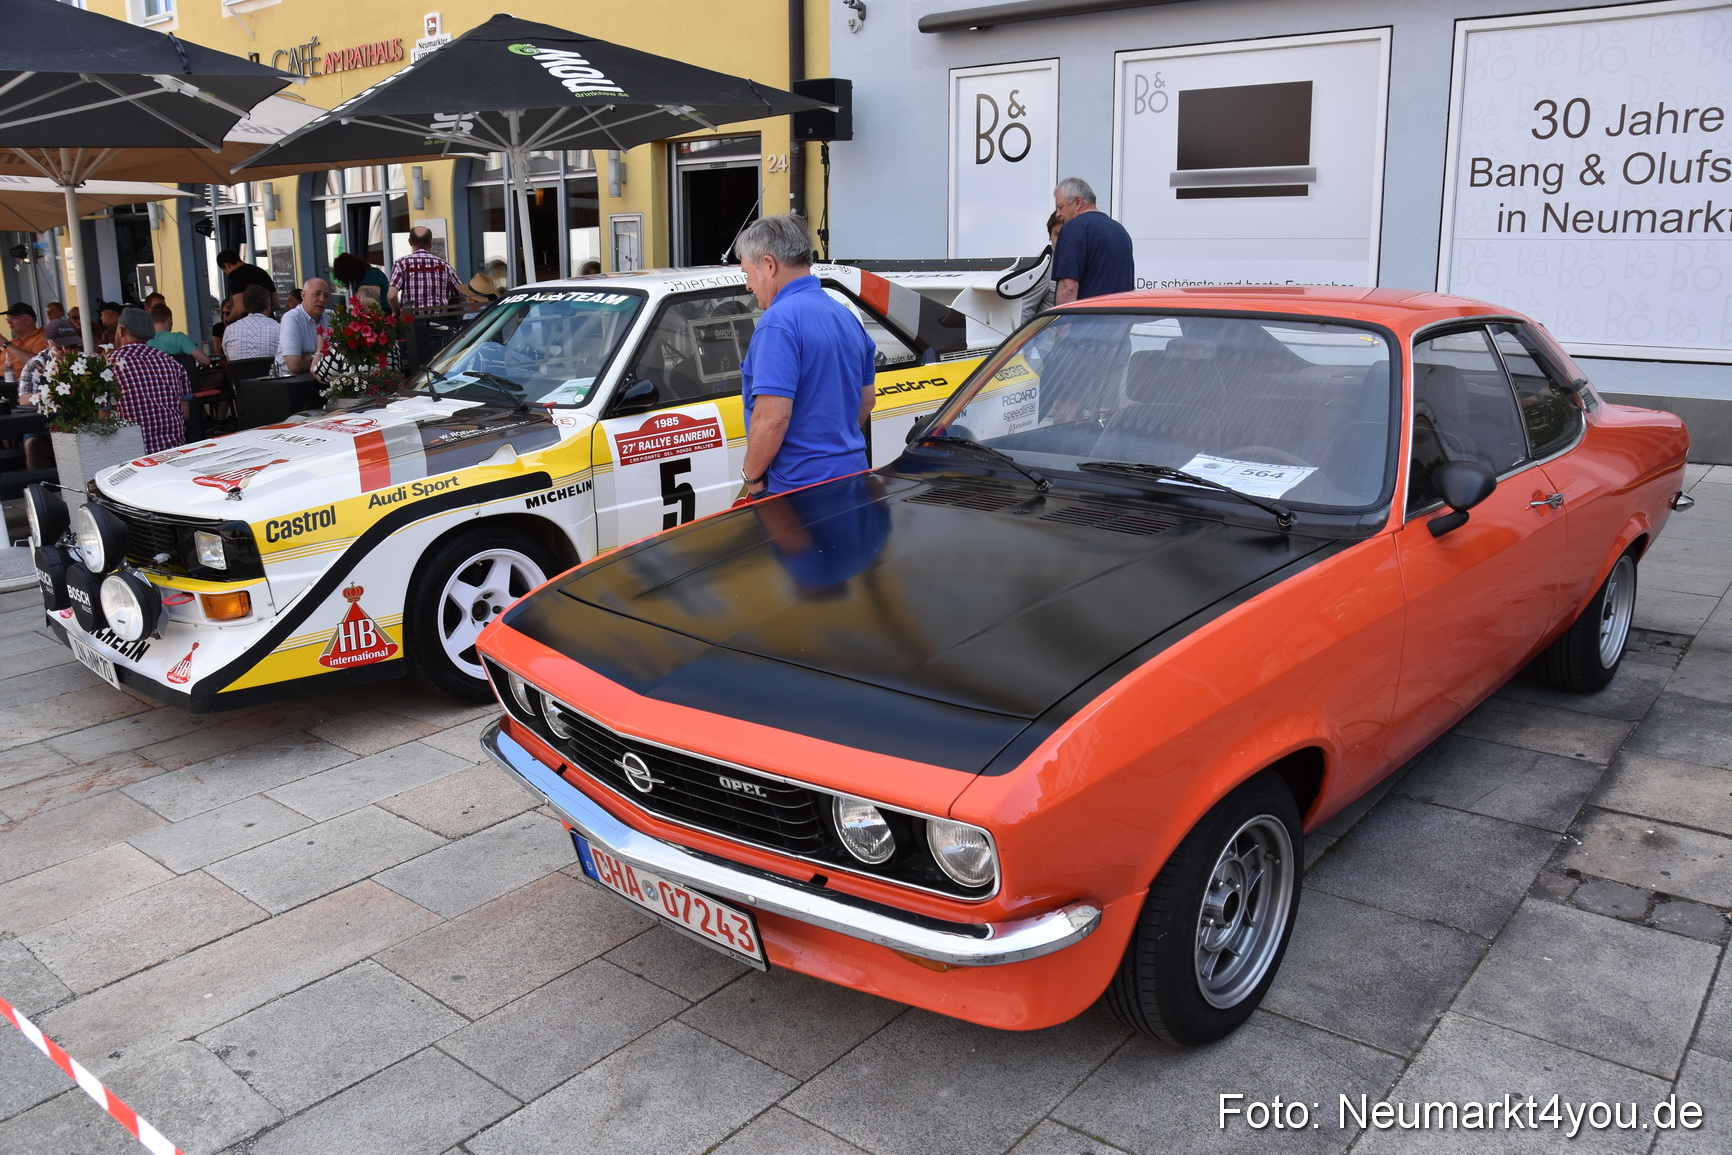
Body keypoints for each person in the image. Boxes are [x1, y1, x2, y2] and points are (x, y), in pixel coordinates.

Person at [735, 213, 876, 500]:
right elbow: (867, 400)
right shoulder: (844, 315)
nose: (748, 285)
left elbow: (773, 418)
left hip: (799, 489)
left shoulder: (778, 322)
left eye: (747, 273)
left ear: (769, 265)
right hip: (852, 475)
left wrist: (753, 479)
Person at [108, 307, 188, 455]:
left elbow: (103, 418)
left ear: (121, 330)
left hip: (134, 456)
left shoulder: (109, 365)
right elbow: (186, 414)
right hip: (174, 451)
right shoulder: (172, 362)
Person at [1051, 177, 1134, 303]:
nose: (1058, 214)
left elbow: (1068, 288)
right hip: (1120, 313)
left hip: (1087, 314)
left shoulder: (1073, 228)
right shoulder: (1120, 231)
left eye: (1060, 207)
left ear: (1078, 202)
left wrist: (1062, 316)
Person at [388, 226, 465, 312]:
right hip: (440, 318)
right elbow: (462, 293)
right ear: (430, 243)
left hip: (411, 318)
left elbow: (391, 296)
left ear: (410, 242)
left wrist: (396, 312)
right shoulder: (444, 265)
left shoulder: (401, 264)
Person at [278, 278, 331, 374]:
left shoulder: (330, 316)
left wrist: (310, 357)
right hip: (292, 380)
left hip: (322, 377)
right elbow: (294, 365)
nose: (322, 299)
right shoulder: (291, 318)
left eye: (326, 295)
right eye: (317, 294)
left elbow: (340, 355)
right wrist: (323, 362)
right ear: (303, 295)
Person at [1021, 211, 1065, 324]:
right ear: (1050, 236)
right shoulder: (1044, 265)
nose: (1061, 239)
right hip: (1050, 333)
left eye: (1065, 234)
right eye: (1057, 234)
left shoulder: (1080, 258)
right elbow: (1027, 308)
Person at [221, 285, 280, 362]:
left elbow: (229, 360)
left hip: (240, 370)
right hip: (269, 370)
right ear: (268, 306)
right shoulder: (279, 328)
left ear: (245, 307)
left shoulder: (229, 330)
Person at [218, 249, 278, 320]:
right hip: (269, 321)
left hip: (248, 323)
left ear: (227, 265)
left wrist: (228, 321)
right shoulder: (261, 272)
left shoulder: (235, 275)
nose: (227, 274)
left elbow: (240, 308)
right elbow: (276, 304)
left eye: (225, 272)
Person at [2, 301, 49, 376]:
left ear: (28, 320)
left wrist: (6, 344)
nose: (9, 322)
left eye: (13, 318)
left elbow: (37, 364)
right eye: (8, 318)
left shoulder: (43, 338)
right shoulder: (13, 342)